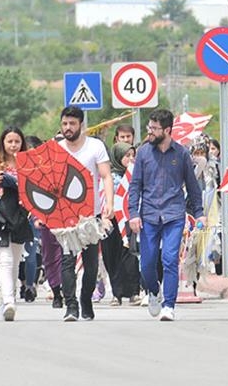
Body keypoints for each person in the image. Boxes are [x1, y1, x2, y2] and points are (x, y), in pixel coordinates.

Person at [128, 109, 205, 321]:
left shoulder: (181, 154)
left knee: (170, 259)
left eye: (154, 129)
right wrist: (133, 213)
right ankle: (153, 291)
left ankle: (169, 305)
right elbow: (135, 186)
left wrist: (199, 213)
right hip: (149, 215)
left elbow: (192, 186)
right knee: (147, 264)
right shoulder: (144, 153)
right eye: (149, 128)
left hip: (174, 214)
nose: (150, 132)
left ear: (167, 130)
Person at [57, 106, 114, 322]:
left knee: (91, 266)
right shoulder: (57, 149)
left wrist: (109, 203)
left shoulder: (95, 146)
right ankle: (70, 306)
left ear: (81, 125)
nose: (68, 128)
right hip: (65, 217)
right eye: (64, 124)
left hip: (91, 216)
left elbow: (106, 176)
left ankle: (85, 298)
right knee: (67, 261)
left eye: (72, 123)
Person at [0, 126, 33, 321]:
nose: (13, 145)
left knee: (16, 262)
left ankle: (10, 294)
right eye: (9, 141)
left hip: (20, 216)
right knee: (5, 259)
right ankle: (8, 302)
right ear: (3, 142)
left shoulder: (28, 161)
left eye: (17, 141)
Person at [104, 142, 141, 306]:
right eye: (127, 156)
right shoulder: (109, 177)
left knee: (130, 255)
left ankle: (134, 291)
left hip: (129, 218)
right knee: (112, 256)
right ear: (118, 157)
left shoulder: (137, 175)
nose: (131, 159)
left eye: (133, 155)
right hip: (111, 220)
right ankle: (116, 293)